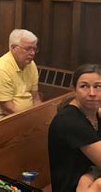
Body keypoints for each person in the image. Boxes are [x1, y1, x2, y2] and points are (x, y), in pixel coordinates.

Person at [48, 63, 101, 192]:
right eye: (84, 86)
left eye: (98, 86)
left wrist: (89, 175)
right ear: (74, 90)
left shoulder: (94, 112)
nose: (92, 93)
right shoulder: (69, 121)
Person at [0, 29, 42, 117]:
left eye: (34, 49)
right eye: (28, 48)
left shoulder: (31, 64)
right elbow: (7, 108)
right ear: (13, 48)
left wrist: (40, 115)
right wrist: (31, 120)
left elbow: (35, 97)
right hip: (2, 120)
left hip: (26, 116)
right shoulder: (1, 69)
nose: (32, 53)